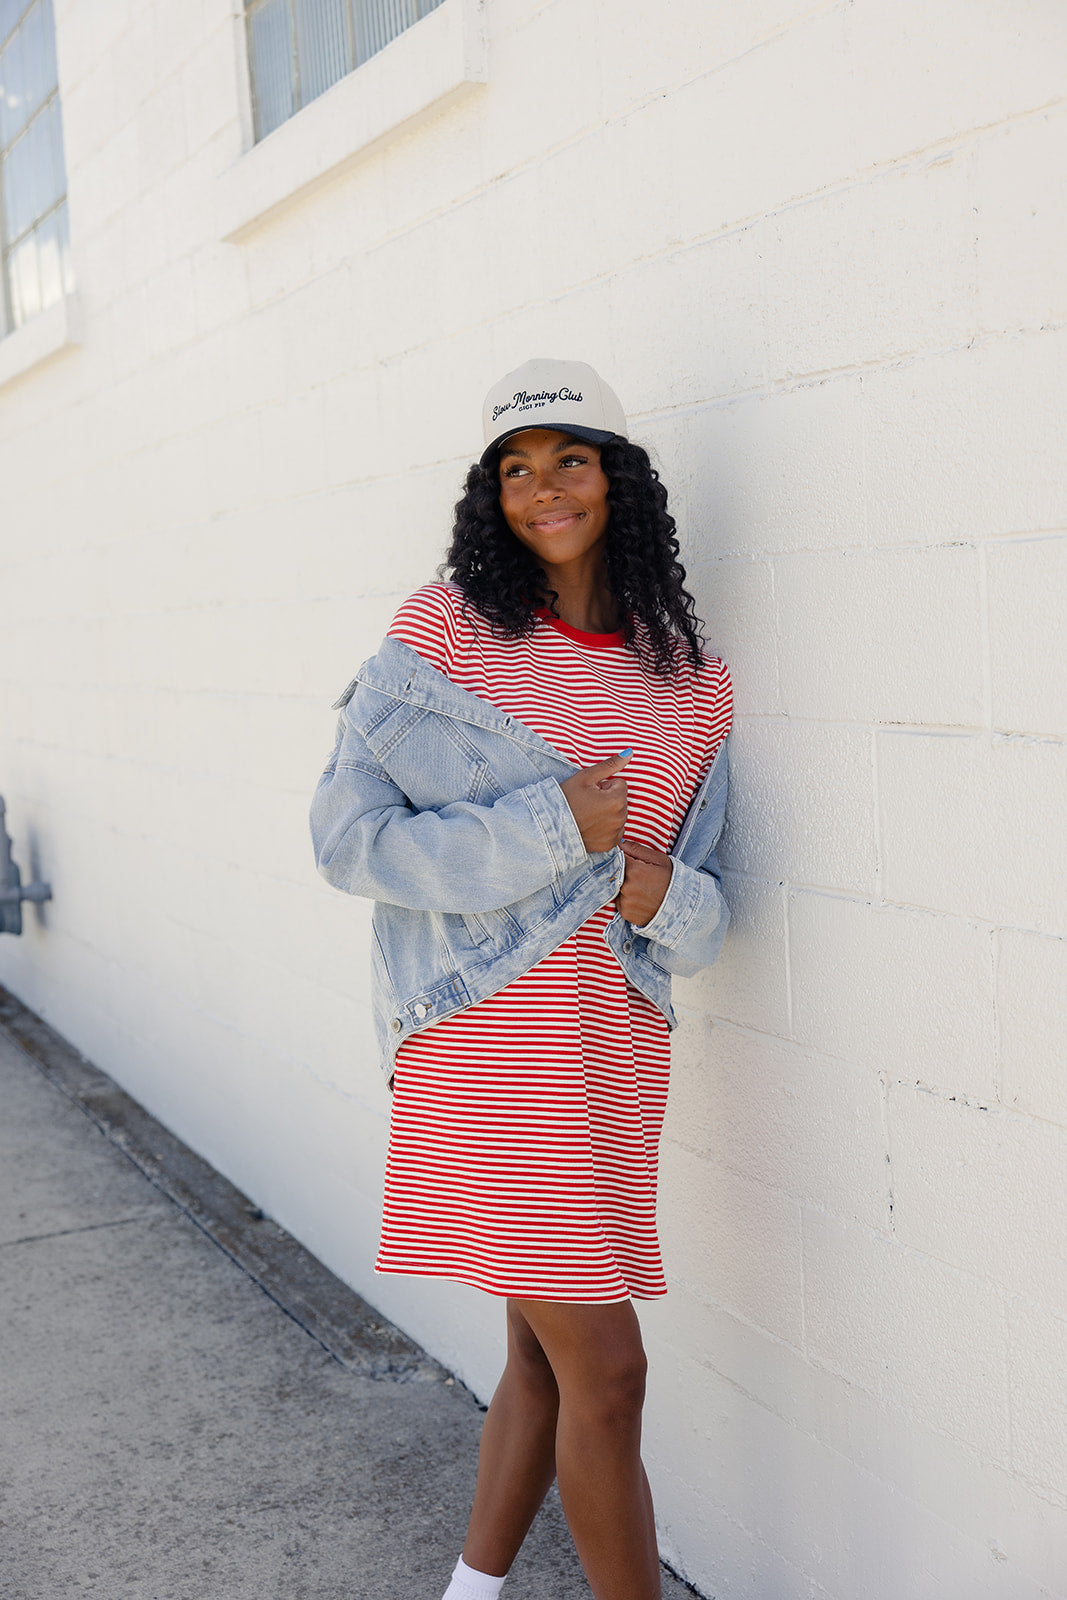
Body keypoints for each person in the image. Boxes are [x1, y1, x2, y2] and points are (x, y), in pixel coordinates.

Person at [310, 358, 732, 1600]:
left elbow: (705, 917)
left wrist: (655, 888)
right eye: (513, 468)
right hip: (488, 1042)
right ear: (487, 494)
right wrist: (552, 825)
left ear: (620, 478)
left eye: (568, 459)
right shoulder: (445, 633)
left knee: (543, 1364)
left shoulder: (688, 679)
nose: (542, 489)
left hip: (611, 1051)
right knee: (609, 1371)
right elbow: (350, 841)